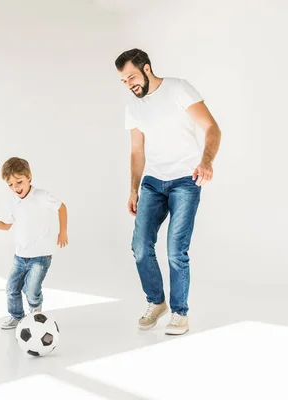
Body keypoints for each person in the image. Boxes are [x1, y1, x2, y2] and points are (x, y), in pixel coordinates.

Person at [115, 48, 221, 335]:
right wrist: (133, 189)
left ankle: (179, 312)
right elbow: (137, 151)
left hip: (186, 179)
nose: (130, 85)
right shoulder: (133, 106)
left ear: (146, 68)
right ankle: (156, 302)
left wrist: (206, 161)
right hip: (153, 182)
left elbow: (212, 128)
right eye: (124, 81)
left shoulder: (178, 88)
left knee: (176, 249)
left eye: (132, 77)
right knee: (139, 247)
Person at [0, 157, 68, 330]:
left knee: (31, 289)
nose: (16, 188)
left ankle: (35, 312)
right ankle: (16, 316)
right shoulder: (12, 203)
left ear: (29, 176)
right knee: (12, 288)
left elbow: (61, 208)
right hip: (20, 256)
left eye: (19, 182)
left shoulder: (42, 196)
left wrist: (63, 231)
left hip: (40, 256)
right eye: (10, 185)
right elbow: (6, 225)